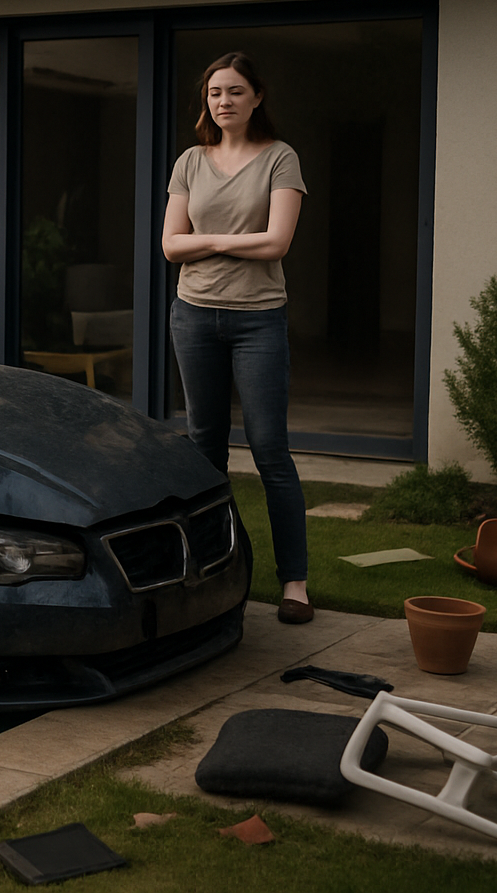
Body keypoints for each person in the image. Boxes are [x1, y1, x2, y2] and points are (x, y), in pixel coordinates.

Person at [161, 52, 312, 624]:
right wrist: (231, 238)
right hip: (194, 316)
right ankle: (215, 575)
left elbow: (277, 244)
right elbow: (170, 245)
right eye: (215, 93)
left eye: (235, 92)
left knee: (271, 448)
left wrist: (208, 238)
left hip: (257, 320)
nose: (223, 102)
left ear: (257, 98)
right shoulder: (189, 162)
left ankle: (294, 584)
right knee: (205, 448)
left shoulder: (280, 159)